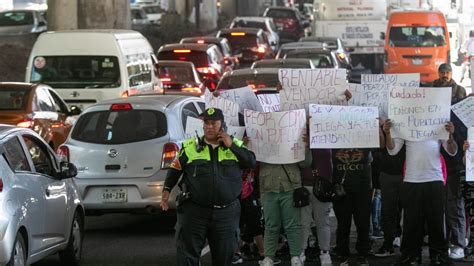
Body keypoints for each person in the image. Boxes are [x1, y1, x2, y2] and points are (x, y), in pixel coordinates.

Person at [160, 107, 257, 266]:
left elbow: (251, 162)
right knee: (187, 257)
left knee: (224, 258)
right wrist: (166, 190)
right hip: (195, 212)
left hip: (226, 213)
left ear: (222, 125)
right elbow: (175, 168)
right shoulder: (190, 146)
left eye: (214, 123)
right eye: (206, 123)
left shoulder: (234, 145)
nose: (209, 126)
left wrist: (231, 145)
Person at [384, 120, 457, 265]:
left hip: (434, 177)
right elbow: (392, 150)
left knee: (436, 220)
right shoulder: (405, 121)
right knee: (411, 221)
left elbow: (452, 151)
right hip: (412, 178)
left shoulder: (439, 120)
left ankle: (438, 255)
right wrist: (387, 133)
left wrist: (450, 135)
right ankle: (411, 255)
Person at [256, 134, 312, 266]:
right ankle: (269, 256)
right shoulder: (261, 135)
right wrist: (248, 146)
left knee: (293, 225)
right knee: (270, 225)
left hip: (290, 187)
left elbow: (306, 163)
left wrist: (306, 146)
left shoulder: (294, 135)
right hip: (268, 187)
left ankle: (295, 256)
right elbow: (251, 161)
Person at [433, 63, 468, 260]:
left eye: (447, 72)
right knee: (440, 204)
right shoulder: (431, 89)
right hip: (435, 156)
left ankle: (459, 242)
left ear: (451, 74)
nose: (445, 75)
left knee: (455, 203)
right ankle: (443, 241)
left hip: (455, 153)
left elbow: (464, 120)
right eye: (442, 72)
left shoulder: (460, 91)